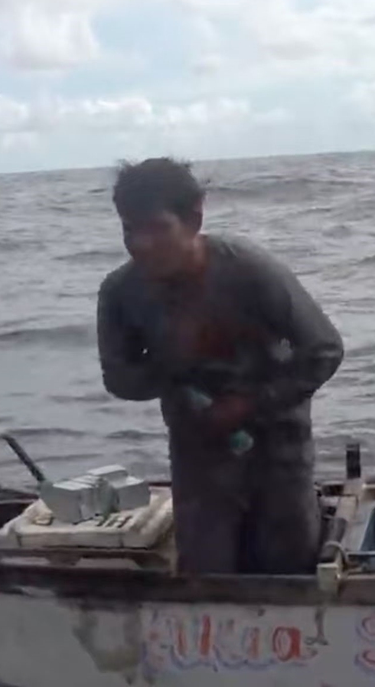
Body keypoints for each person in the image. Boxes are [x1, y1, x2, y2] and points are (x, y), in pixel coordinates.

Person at [96, 157, 344, 575]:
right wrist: (172, 361)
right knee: (205, 573)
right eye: (129, 229)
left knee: (289, 571)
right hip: (198, 454)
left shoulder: (249, 270)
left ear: (194, 219)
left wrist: (249, 403)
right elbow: (119, 379)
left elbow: (324, 350)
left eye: (157, 228)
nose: (141, 244)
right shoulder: (120, 292)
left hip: (278, 447)